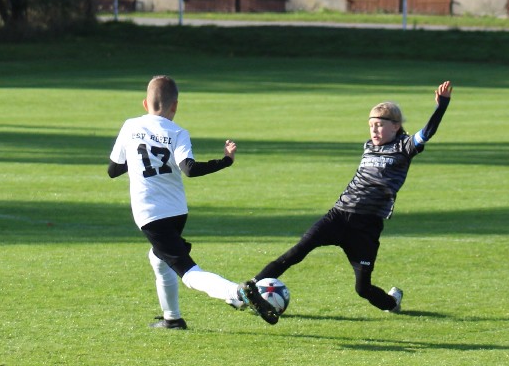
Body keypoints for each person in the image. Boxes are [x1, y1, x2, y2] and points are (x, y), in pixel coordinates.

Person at [243, 81, 453, 314]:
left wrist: (441, 107)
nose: (374, 130)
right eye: (371, 125)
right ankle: (247, 291)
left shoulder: (404, 146)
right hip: (339, 215)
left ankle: (392, 303)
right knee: (296, 252)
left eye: (380, 125)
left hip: (367, 226)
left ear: (396, 127)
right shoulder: (368, 146)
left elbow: (427, 133)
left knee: (362, 289)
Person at [108, 75, 278, 329]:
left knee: (188, 273)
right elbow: (189, 169)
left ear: (145, 103)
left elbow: (113, 169)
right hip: (177, 211)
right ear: (175, 105)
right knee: (158, 258)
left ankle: (237, 293)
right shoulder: (178, 132)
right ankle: (172, 319)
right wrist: (225, 160)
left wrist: (137, 156)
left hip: (150, 214)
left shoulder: (131, 126)